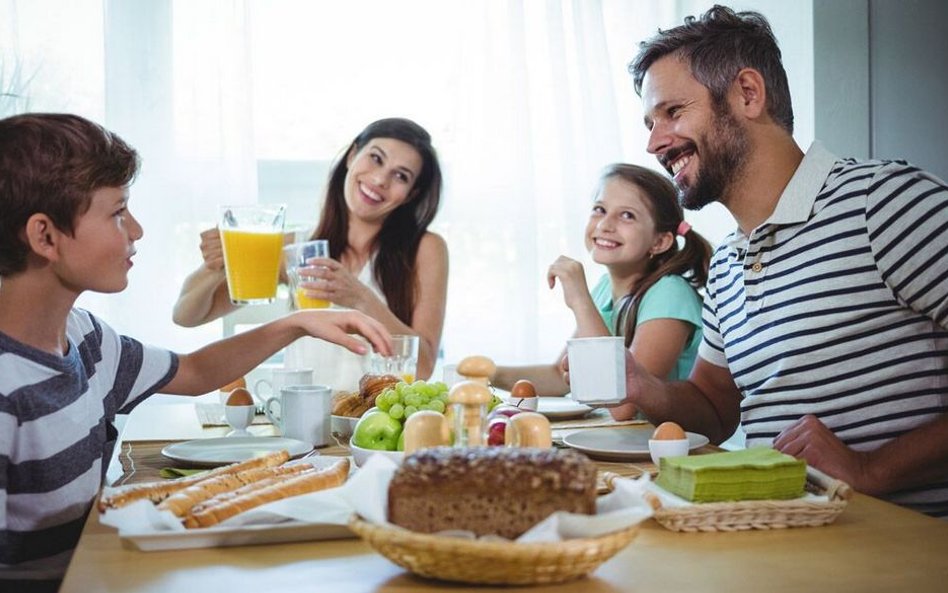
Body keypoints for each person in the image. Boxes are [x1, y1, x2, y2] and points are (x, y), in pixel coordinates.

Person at [0, 113, 392, 591]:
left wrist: (295, 323)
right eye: (118, 212)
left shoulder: (84, 338)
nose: (137, 230)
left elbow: (194, 369)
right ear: (45, 236)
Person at [610, 5, 948, 517]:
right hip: (782, 536)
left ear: (748, 93)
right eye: (650, 122)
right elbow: (714, 408)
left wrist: (871, 468)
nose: (654, 142)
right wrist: (643, 385)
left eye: (673, 112)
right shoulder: (726, 263)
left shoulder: (882, 203)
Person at [173, 118, 447, 381]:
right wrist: (218, 265)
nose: (379, 180)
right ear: (352, 155)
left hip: (377, 420)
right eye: (375, 158)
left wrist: (360, 298)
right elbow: (186, 316)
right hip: (302, 415)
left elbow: (422, 367)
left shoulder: (426, 249)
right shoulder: (297, 249)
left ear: (411, 194)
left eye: (400, 176)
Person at [493, 163, 711, 420]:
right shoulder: (605, 289)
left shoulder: (670, 294)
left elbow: (622, 405)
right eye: (600, 210)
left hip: (661, 452)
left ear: (660, 241)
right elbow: (557, 377)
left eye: (627, 215)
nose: (605, 225)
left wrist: (579, 299)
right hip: (621, 445)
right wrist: (490, 373)